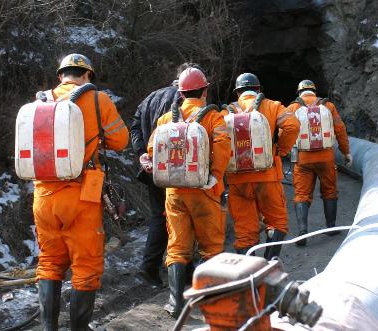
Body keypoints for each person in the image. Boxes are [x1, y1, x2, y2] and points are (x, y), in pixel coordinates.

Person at [33, 53, 129, 330]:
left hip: (44, 196)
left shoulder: (41, 101)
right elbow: (120, 140)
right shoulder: (98, 99)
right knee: (85, 267)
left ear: (61, 75)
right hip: (82, 194)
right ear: (87, 76)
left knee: (50, 262)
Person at [142, 67, 231, 318]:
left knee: (178, 247)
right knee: (211, 246)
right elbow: (223, 149)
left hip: (174, 193)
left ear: (180, 93)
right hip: (204, 190)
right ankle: (211, 302)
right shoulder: (215, 117)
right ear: (205, 90)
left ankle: (175, 303)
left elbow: (152, 150)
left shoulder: (165, 120)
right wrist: (214, 176)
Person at [130, 63, 201, 286]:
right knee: (180, 217)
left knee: (158, 217)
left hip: (151, 167)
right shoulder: (184, 100)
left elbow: (134, 127)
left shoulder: (151, 97)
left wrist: (142, 153)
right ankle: (176, 269)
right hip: (175, 169)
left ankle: (153, 267)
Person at [223, 73, 300, 259]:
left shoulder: (225, 112)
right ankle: (268, 265)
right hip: (267, 177)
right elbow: (293, 126)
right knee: (278, 223)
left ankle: (249, 278)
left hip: (238, 181)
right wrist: (280, 150)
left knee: (244, 232)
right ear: (258, 90)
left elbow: (216, 141)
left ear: (237, 92)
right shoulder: (272, 106)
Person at [287, 79, 351, 246]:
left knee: (301, 194)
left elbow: (283, 132)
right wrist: (346, 152)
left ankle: (302, 232)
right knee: (329, 191)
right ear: (314, 91)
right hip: (326, 157)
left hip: (303, 159)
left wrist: (283, 151)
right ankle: (330, 228)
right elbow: (340, 129)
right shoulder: (328, 106)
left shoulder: (293, 108)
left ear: (299, 92)